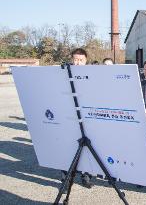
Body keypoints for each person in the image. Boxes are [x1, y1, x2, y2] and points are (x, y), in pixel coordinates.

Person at [62, 48, 93, 188]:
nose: (78, 63)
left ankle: (86, 175)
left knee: (88, 148)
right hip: (70, 117)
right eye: (76, 59)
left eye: (81, 60)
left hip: (87, 117)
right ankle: (66, 177)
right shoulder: (65, 72)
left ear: (86, 61)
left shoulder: (91, 75)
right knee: (68, 147)